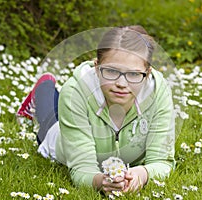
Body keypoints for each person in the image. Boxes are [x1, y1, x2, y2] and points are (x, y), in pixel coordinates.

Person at [17, 25, 175, 194]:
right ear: (96, 67)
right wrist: (101, 182)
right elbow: (81, 167)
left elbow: (162, 161)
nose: (122, 84)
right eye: (111, 71)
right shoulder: (74, 92)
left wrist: (142, 174)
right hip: (60, 140)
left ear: (148, 73)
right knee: (49, 119)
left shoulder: (159, 92)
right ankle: (43, 87)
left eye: (134, 74)